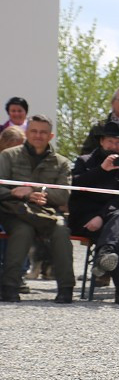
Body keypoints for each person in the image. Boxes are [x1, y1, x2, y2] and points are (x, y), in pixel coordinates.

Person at [0, 115, 75, 303]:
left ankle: (66, 288)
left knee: (61, 230)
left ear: (50, 136)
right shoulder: (8, 156)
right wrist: (22, 195)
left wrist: (34, 190)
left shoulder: (62, 163)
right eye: (34, 131)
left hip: (48, 213)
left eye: (43, 132)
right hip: (15, 211)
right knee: (23, 231)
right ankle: (10, 286)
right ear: (26, 133)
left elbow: (63, 196)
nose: (38, 136)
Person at [70, 121, 119, 304]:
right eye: (110, 141)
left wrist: (101, 217)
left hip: (108, 220)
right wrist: (101, 170)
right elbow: (74, 188)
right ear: (101, 141)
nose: (114, 146)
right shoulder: (84, 162)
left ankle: (104, 255)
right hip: (83, 219)